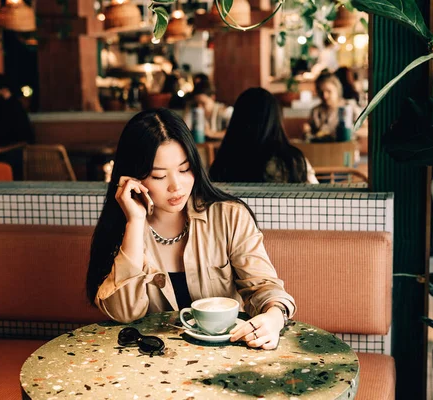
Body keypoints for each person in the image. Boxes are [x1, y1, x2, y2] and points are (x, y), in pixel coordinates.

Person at [86, 108, 295, 350]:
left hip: (227, 358)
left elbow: (265, 287)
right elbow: (124, 313)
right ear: (134, 178)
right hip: (152, 367)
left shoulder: (229, 217)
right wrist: (134, 222)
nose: (176, 186)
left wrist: (273, 317)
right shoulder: (126, 230)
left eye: (184, 170)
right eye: (158, 176)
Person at [209, 87, 318, 184]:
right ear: (276, 119)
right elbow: (316, 196)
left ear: (236, 120)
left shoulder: (224, 161)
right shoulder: (293, 160)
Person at [306, 73, 362, 141]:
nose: (324, 96)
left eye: (329, 91)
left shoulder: (349, 106)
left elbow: (366, 129)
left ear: (337, 90)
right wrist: (306, 131)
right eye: (321, 92)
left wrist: (349, 132)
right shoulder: (316, 111)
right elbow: (310, 133)